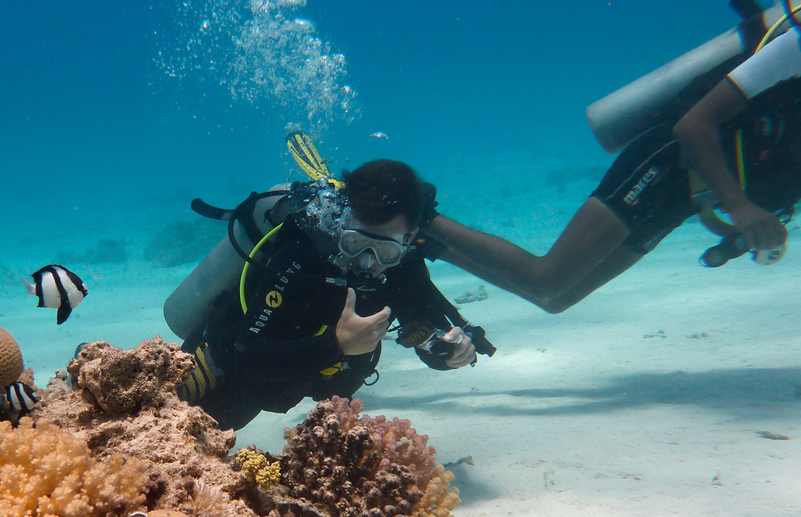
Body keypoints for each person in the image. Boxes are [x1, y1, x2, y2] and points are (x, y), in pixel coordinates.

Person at [418, 22, 801, 314]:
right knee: (546, 279)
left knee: (556, 300)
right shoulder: (795, 46)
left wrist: (745, 223)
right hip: (667, 160)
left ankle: (425, 244)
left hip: (686, 196)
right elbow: (693, 126)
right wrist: (741, 209)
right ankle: (412, 210)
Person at [167, 158, 493, 431]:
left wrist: (450, 353)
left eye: (385, 250)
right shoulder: (302, 256)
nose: (368, 263)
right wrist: (337, 345)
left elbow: (427, 337)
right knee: (172, 430)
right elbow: (244, 356)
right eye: (355, 244)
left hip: (307, 383)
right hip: (223, 369)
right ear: (343, 224)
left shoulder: (402, 267)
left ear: (408, 238)